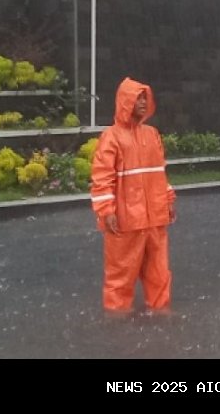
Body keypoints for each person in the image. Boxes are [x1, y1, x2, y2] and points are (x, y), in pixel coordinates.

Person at [90, 77, 176, 315]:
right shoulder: (112, 137)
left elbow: (160, 172)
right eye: (137, 97)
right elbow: (102, 177)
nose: (142, 102)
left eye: (144, 97)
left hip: (155, 218)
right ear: (125, 101)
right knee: (120, 274)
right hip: (126, 221)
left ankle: (160, 311)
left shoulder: (152, 134)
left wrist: (168, 200)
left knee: (159, 272)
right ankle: (117, 317)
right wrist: (106, 210)